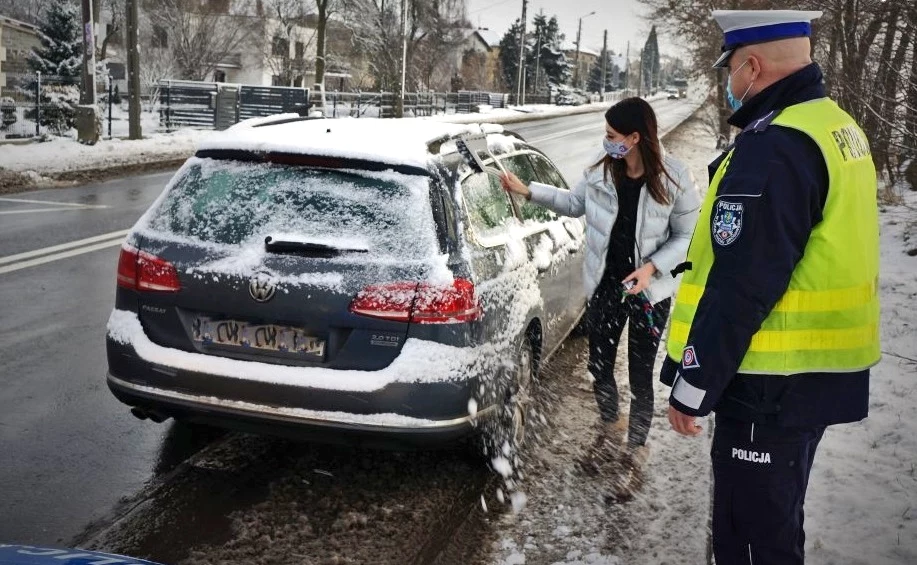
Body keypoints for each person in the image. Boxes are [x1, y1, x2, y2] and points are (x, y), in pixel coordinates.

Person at [661, 10, 880, 565]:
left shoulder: (776, 146)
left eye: (730, 69)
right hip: (808, 379)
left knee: (751, 542)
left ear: (752, 67)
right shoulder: (836, 127)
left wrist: (694, 383)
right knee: (776, 528)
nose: (729, 84)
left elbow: (742, 284)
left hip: (767, 385)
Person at [499, 97, 700, 499]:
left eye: (611, 136)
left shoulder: (675, 177)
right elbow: (575, 204)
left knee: (640, 375)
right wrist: (528, 191)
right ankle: (610, 430)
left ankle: (635, 452)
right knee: (598, 365)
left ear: (635, 137)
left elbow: (686, 237)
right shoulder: (602, 170)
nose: (605, 142)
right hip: (608, 285)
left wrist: (652, 268)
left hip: (649, 292)